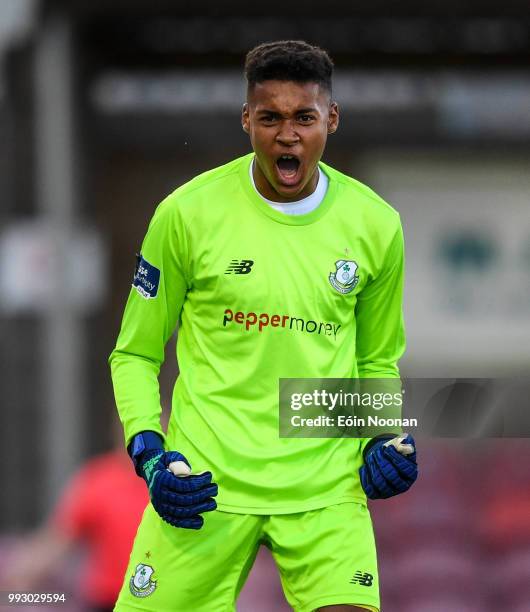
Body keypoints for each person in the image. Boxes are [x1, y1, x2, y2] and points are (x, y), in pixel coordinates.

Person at [110, 40, 418, 612]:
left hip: (325, 489)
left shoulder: (376, 225)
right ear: (247, 120)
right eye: (270, 117)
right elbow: (134, 353)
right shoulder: (185, 214)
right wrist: (150, 452)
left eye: (304, 117)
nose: (288, 135)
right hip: (203, 483)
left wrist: (382, 435)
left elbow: (375, 359)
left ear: (331, 119)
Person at [2, 433, 148, 612]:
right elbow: (59, 539)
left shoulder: (179, 479)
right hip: (109, 600)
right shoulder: (100, 479)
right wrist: (16, 575)